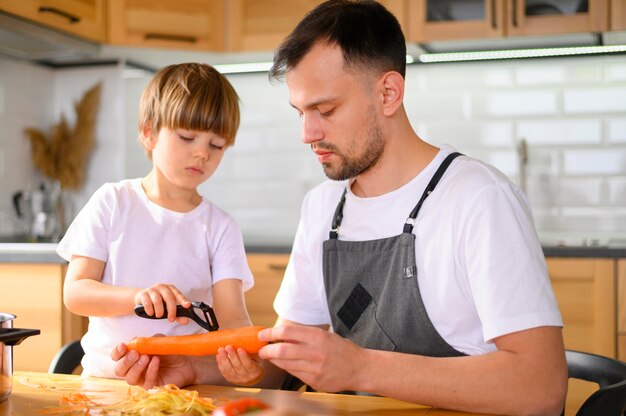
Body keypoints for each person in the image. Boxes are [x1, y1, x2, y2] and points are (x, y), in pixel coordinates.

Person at [112, 2, 568, 415]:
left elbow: (541, 387)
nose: (307, 133)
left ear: (388, 94)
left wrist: (360, 367)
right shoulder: (324, 207)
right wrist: (198, 371)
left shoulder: (477, 199)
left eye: (325, 109)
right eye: (300, 112)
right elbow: (283, 364)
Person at [58, 63, 263, 386]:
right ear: (148, 132)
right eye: (187, 137)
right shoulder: (112, 202)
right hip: (105, 382)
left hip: (185, 385)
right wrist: (137, 297)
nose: (201, 154)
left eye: (216, 145)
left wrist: (247, 364)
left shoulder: (221, 227)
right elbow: (76, 293)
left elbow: (233, 319)